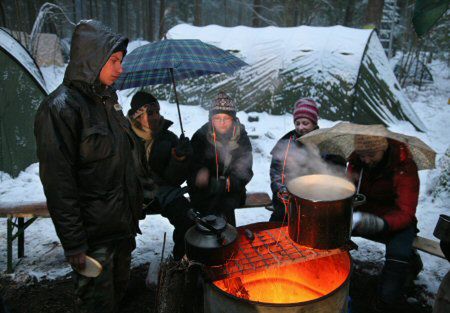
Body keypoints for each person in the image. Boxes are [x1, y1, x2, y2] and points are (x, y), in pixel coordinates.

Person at [34, 20, 143, 313]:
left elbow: (123, 159)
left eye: (121, 61)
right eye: (114, 61)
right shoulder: (60, 109)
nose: (120, 68)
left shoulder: (108, 101)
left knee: (118, 296)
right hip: (93, 239)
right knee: (96, 306)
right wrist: (74, 245)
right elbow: (59, 184)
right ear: (92, 58)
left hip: (120, 229)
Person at [348, 135, 423, 311]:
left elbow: (406, 211)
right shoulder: (357, 162)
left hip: (395, 220)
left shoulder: (404, 167)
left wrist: (381, 223)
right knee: (332, 229)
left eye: (371, 155)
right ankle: (336, 274)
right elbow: (347, 189)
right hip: (363, 214)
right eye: (362, 155)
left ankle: (385, 300)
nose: (366, 160)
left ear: (383, 148)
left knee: (398, 258)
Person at [127, 91, 194, 260]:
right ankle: (120, 271)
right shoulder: (124, 136)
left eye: (157, 111)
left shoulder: (168, 137)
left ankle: (181, 262)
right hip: (132, 193)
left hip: (163, 192)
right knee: (119, 226)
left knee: (188, 219)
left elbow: (174, 180)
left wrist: (179, 158)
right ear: (137, 115)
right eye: (150, 113)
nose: (156, 117)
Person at [269, 98, 345, 222]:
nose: (301, 127)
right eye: (297, 123)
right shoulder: (286, 142)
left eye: (305, 123)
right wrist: (280, 189)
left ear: (314, 122)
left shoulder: (327, 142)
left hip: (318, 197)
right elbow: (276, 171)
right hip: (289, 196)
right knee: (279, 221)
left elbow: (338, 173)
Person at [188, 91, 253, 226]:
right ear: (211, 119)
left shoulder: (241, 137)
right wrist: (200, 172)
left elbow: (245, 168)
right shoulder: (200, 136)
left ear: (233, 119)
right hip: (205, 190)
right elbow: (192, 166)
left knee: (225, 204)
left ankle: (226, 239)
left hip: (232, 190)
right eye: (217, 118)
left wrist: (228, 183)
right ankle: (204, 238)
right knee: (206, 203)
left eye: (226, 118)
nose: (222, 122)